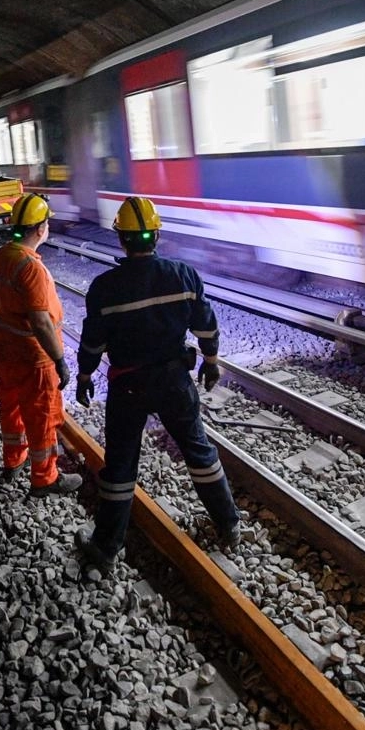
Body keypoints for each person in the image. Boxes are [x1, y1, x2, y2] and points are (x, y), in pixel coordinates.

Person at [73, 196, 239, 570]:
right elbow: (206, 326)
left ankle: (105, 548)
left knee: (120, 465)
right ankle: (228, 523)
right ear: (157, 235)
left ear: (121, 238)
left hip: (128, 386)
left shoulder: (105, 288)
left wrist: (84, 375)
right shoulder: (183, 275)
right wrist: (211, 362)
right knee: (198, 450)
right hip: (174, 380)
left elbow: (92, 342)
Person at [0, 194, 82, 497]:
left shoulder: (2, 255)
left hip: (4, 348)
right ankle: (45, 479)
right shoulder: (31, 267)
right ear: (41, 229)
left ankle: (14, 460)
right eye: (47, 223)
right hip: (32, 356)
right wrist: (60, 360)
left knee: (11, 407)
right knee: (42, 418)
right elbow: (41, 322)